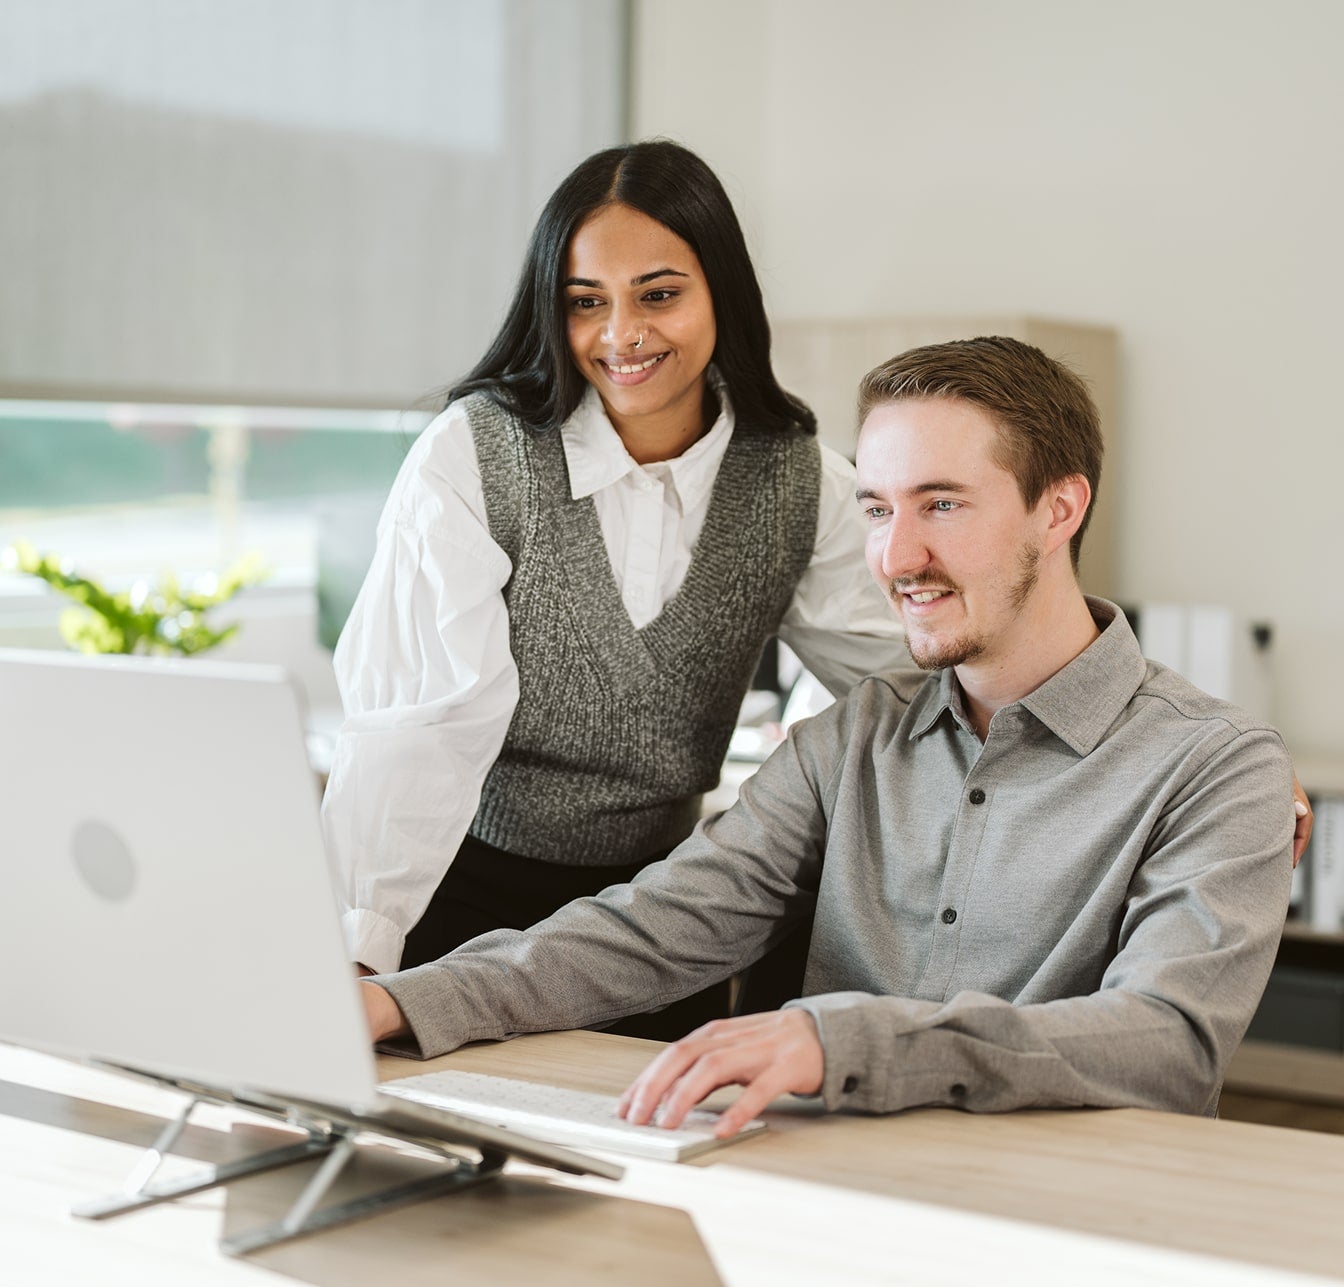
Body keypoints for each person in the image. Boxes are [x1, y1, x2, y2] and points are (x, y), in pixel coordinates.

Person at [360, 336, 1296, 1137]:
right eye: (880, 508)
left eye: (944, 503)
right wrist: (403, 999)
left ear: (1059, 508)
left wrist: (841, 1041)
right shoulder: (850, 738)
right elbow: (653, 928)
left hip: (1071, 1219)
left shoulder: (1215, 768)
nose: (895, 558)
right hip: (826, 1192)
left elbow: (1168, 1040)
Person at [322, 141, 911, 1038]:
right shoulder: (476, 454)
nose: (621, 335)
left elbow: (900, 681)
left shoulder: (804, 481)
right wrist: (360, 954)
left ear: (723, 290)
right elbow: (419, 728)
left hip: (661, 927)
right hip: (456, 907)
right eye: (585, 303)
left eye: (659, 294)